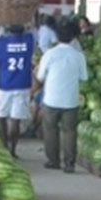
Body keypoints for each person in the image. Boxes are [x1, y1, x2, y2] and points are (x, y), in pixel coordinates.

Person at [36, 20, 88, 173]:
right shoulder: (79, 56)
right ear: (73, 38)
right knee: (69, 131)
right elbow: (84, 77)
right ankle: (69, 164)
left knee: (50, 129)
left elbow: (40, 77)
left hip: (51, 99)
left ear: (57, 37)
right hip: (70, 100)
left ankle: (53, 161)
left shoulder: (49, 54)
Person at [0, 24, 36, 157]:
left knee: (2, 116)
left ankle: (4, 146)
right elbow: (32, 31)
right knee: (15, 119)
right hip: (22, 84)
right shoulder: (29, 41)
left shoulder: (1, 43)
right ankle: (13, 150)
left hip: (5, 84)